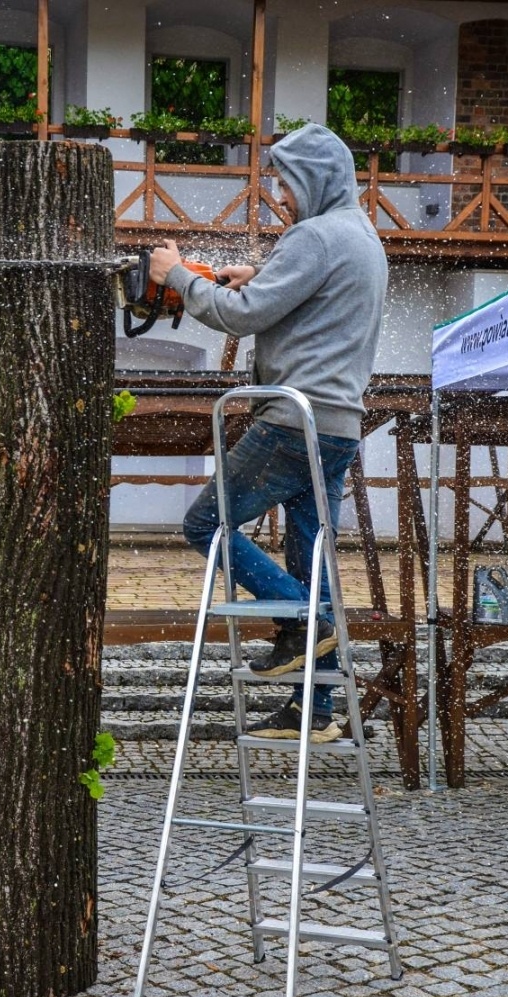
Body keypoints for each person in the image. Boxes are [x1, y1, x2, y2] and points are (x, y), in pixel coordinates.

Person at [148, 121, 387, 742]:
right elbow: (314, 295)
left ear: (316, 180)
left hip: (290, 421)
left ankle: (302, 622)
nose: (280, 196)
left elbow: (239, 316)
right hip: (337, 428)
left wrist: (177, 275)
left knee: (205, 524)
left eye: (286, 184)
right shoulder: (360, 235)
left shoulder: (314, 236)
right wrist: (259, 273)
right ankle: (316, 709)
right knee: (312, 560)